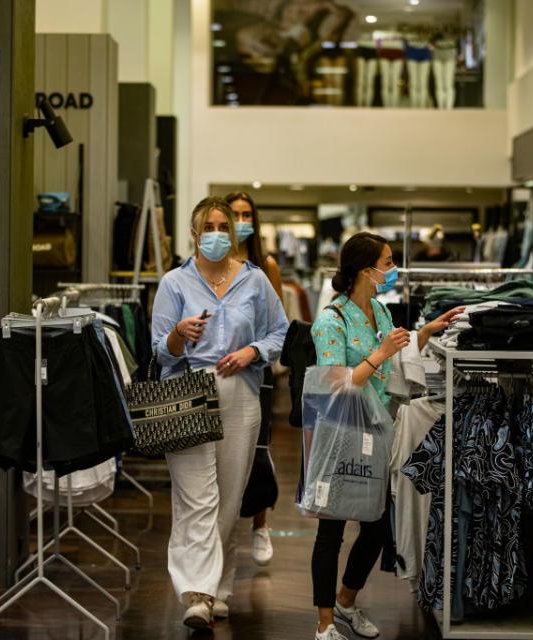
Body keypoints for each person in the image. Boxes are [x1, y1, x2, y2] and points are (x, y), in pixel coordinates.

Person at [309, 232, 462, 640]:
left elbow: (396, 363)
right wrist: (379, 354)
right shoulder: (330, 320)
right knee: (332, 530)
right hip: (341, 433)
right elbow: (333, 384)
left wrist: (425, 333)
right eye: (388, 262)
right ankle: (324, 622)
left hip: (377, 432)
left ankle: (346, 601)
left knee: (376, 527)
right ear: (365, 269)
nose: (392, 270)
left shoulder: (379, 310)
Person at [151, 196, 290, 630]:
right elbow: (159, 351)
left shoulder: (254, 280)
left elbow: (280, 332)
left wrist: (252, 350)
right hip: (186, 389)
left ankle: (220, 588)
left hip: (240, 393)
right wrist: (177, 334)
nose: (215, 234)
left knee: (229, 499)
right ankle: (196, 594)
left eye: (221, 226)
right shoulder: (174, 282)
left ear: (232, 233)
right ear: (194, 234)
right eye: (206, 227)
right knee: (196, 498)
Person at [226, 191, 283, 568]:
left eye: (247, 214)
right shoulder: (212, 264)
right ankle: (227, 525)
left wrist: (255, 350)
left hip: (256, 369)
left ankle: (261, 524)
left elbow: (277, 324)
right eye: (235, 214)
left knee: (257, 448)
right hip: (219, 369)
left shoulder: (266, 265)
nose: (241, 220)